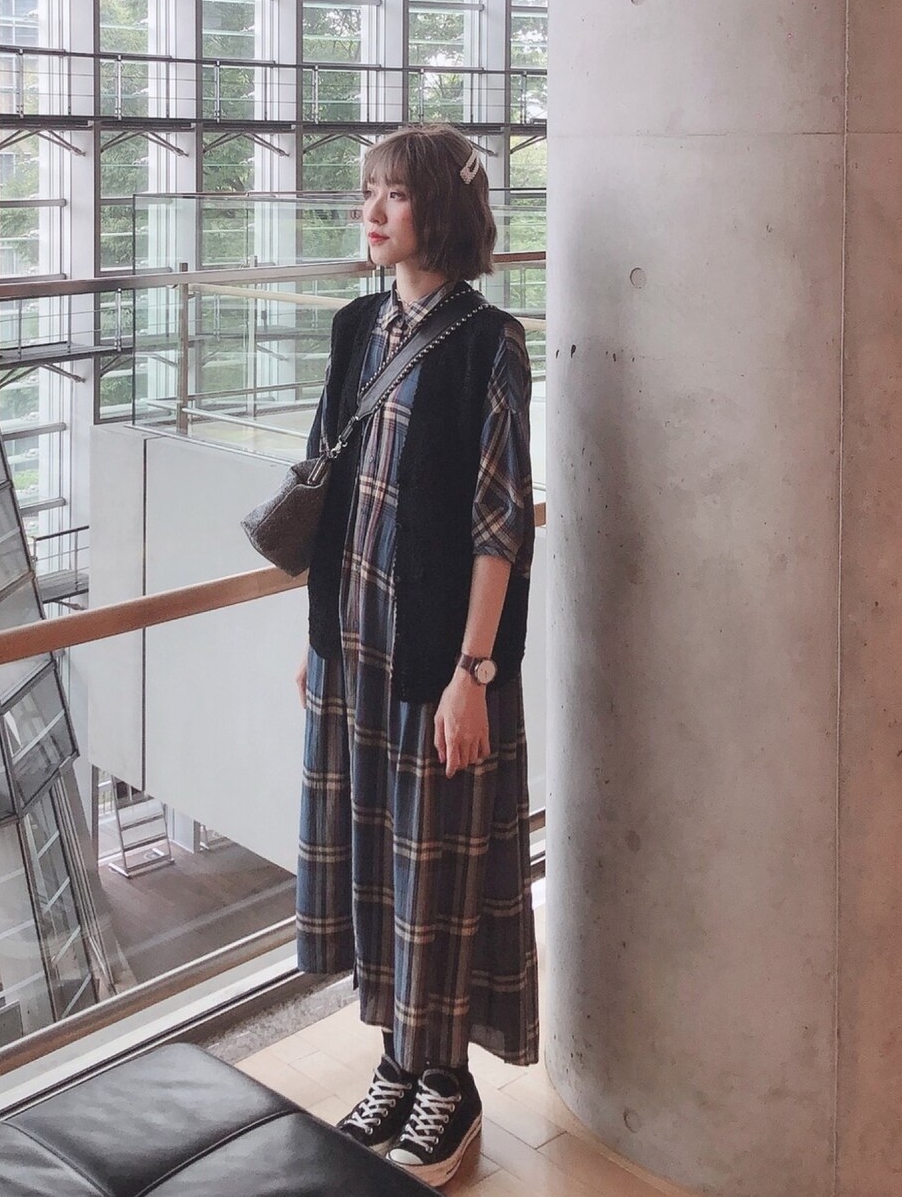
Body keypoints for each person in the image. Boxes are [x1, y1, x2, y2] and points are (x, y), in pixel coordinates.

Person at [294, 123, 538, 1187]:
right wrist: (316, 639)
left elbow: (499, 526)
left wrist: (472, 674)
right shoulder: (357, 326)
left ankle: (448, 1082)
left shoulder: (489, 341)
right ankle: (398, 1061)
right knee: (378, 862)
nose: (371, 211)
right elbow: (328, 487)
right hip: (352, 652)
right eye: (368, 193)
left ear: (439, 206)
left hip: (438, 663)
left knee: (435, 870)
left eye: (392, 194)